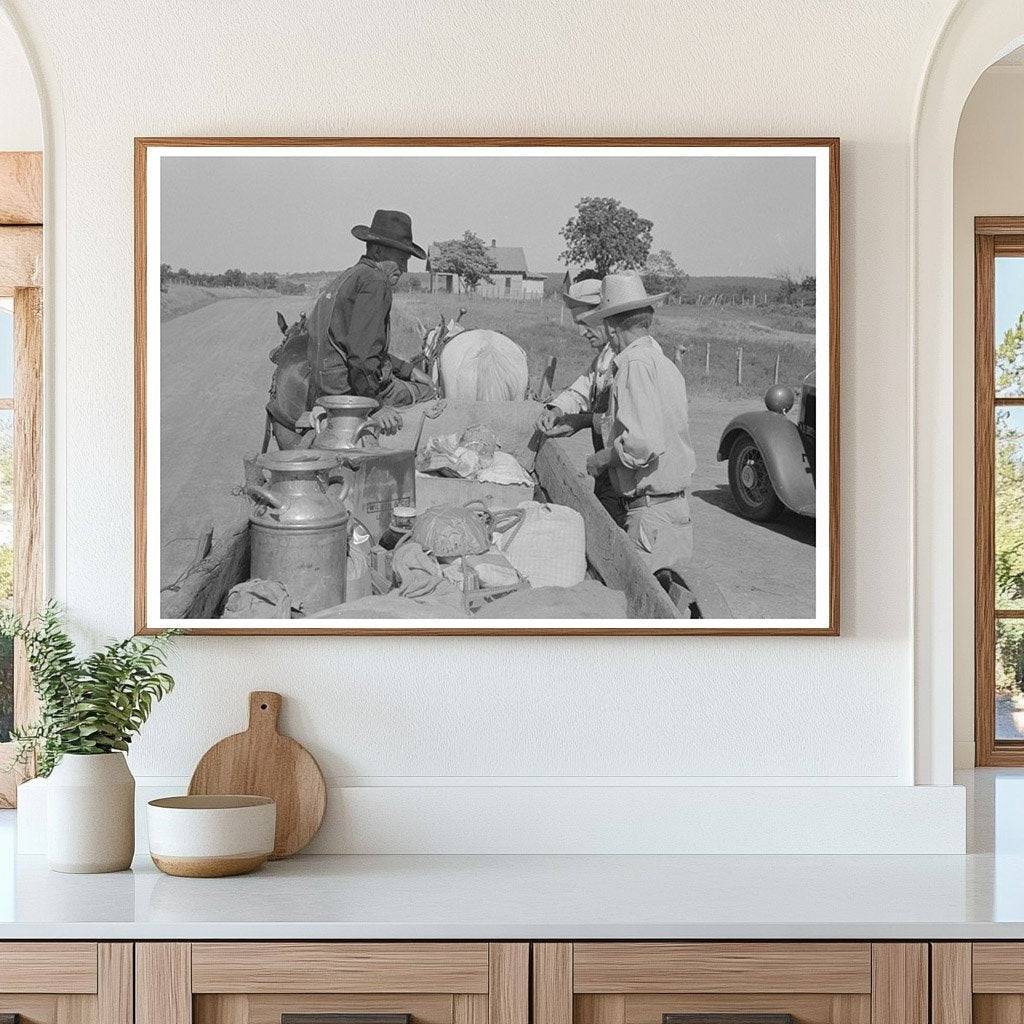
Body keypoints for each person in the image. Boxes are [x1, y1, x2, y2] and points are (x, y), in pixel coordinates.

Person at [577, 273, 697, 576]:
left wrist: (602, 458)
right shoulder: (663, 363)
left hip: (650, 516)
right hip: (674, 512)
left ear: (612, 327)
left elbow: (642, 444)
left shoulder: (633, 365)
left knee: (639, 607)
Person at [306, 209, 436, 431]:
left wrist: (407, 369)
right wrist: (375, 405)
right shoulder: (375, 281)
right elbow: (362, 357)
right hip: (346, 388)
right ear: (377, 251)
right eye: (401, 260)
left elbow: (357, 343)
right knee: (430, 392)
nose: (404, 269)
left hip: (326, 381)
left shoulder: (350, 275)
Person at [535, 272, 626, 527]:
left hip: (623, 472)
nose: (582, 333)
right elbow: (580, 390)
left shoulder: (627, 360)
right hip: (609, 469)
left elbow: (618, 421)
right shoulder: (603, 359)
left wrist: (580, 421)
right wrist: (556, 410)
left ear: (604, 315)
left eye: (586, 323)